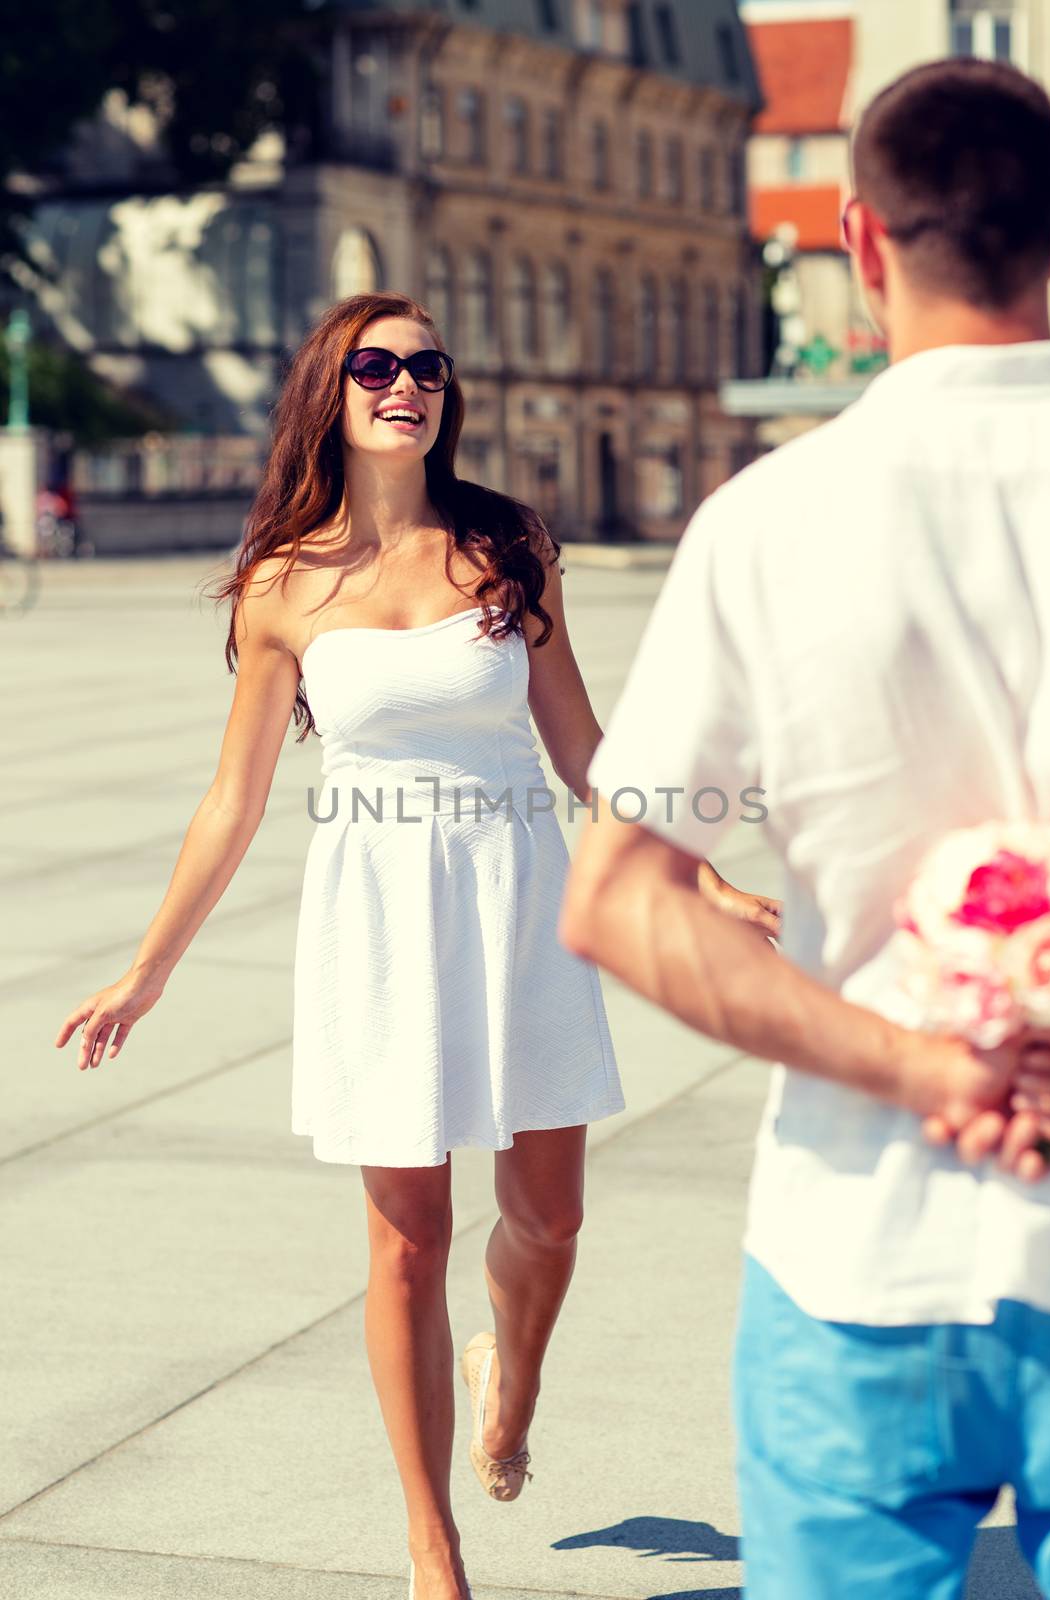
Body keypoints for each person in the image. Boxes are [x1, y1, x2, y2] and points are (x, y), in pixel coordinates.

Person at [53, 291, 773, 1600]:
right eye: (380, 365)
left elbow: (582, 750)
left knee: (547, 1218)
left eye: (430, 366)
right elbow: (235, 797)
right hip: (376, 920)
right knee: (406, 1238)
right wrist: (147, 968)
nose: (409, 384)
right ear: (332, 389)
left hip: (517, 901)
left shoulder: (507, 546)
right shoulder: (282, 584)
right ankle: (431, 1546)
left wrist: (698, 868)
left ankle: (513, 1383)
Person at [560, 58, 1050, 1600]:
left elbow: (618, 905)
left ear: (859, 239)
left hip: (864, 1241)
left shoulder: (778, 519)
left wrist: (923, 1063)